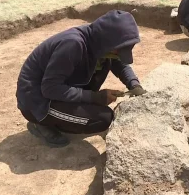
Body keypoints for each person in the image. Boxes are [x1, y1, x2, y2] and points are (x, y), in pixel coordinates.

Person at [16, 10, 147, 148]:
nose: (118, 54)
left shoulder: (98, 41)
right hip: (37, 101)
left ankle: (64, 113)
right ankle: (41, 123)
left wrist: (134, 84)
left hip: (56, 88)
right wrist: (95, 97)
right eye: (118, 50)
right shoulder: (73, 44)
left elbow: (119, 63)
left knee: (104, 66)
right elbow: (50, 88)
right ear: (108, 42)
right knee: (103, 119)